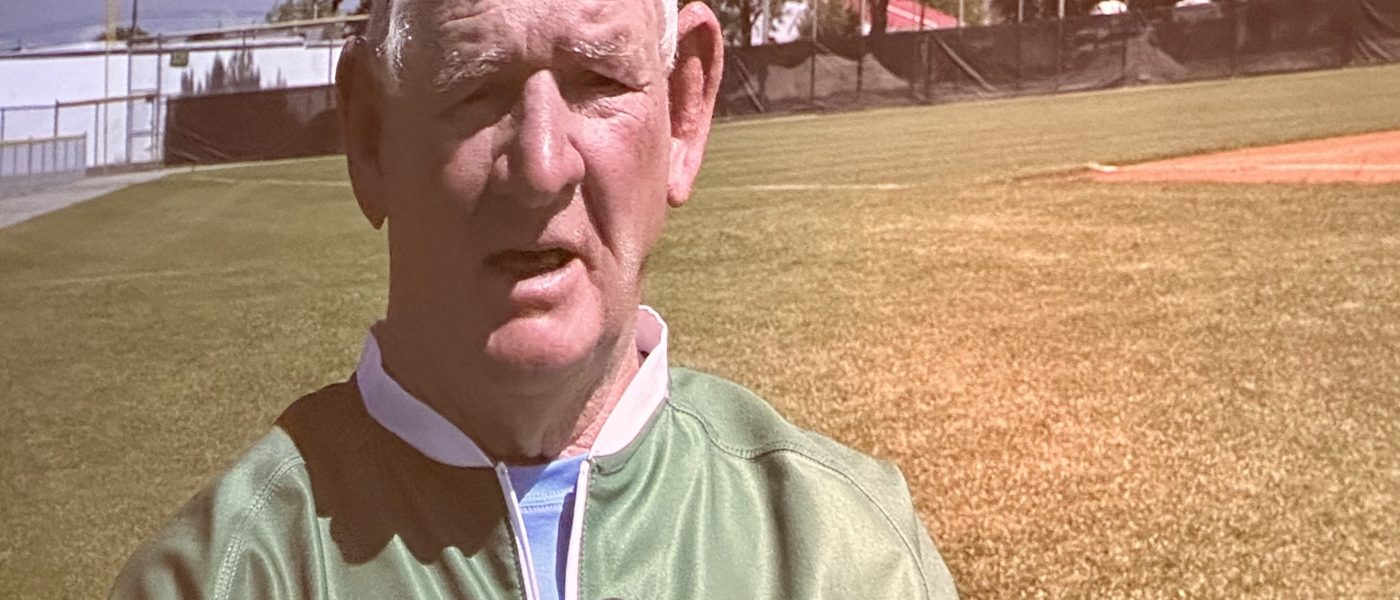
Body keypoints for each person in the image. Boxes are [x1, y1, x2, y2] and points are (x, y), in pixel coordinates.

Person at [111, 0, 959, 598]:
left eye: (597, 78)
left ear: (683, 112)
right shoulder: (224, 579)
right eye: (475, 85)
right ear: (371, 135)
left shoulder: (845, 557)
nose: (542, 164)